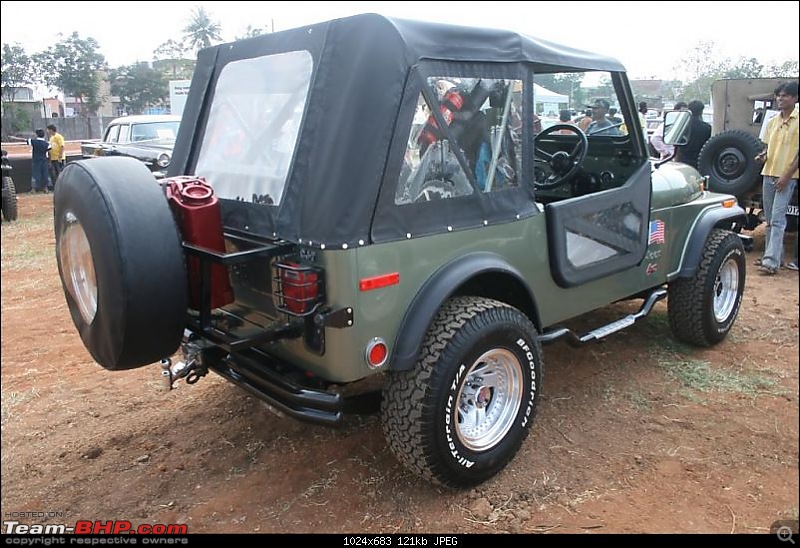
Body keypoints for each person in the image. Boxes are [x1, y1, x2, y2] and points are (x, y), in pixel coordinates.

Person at [754, 82, 799, 275]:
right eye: (779, 95)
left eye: (785, 96)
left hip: (787, 176)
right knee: (771, 219)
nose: (780, 99)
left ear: (795, 98)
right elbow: (767, 148)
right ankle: (774, 257)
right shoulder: (772, 121)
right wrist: (762, 156)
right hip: (769, 172)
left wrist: (786, 177)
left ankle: (771, 262)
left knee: (778, 219)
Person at [676, 100, 712, 169]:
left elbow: (677, 147)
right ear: (701, 111)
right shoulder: (707, 128)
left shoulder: (682, 126)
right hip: (699, 162)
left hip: (683, 162)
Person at [46, 123, 65, 190]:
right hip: (53, 158)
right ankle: (57, 187)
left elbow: (62, 146)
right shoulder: (51, 138)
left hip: (58, 158)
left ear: (51, 130)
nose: (47, 131)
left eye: (48, 130)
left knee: (60, 173)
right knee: (54, 174)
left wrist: (60, 156)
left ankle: (62, 187)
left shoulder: (58, 136)